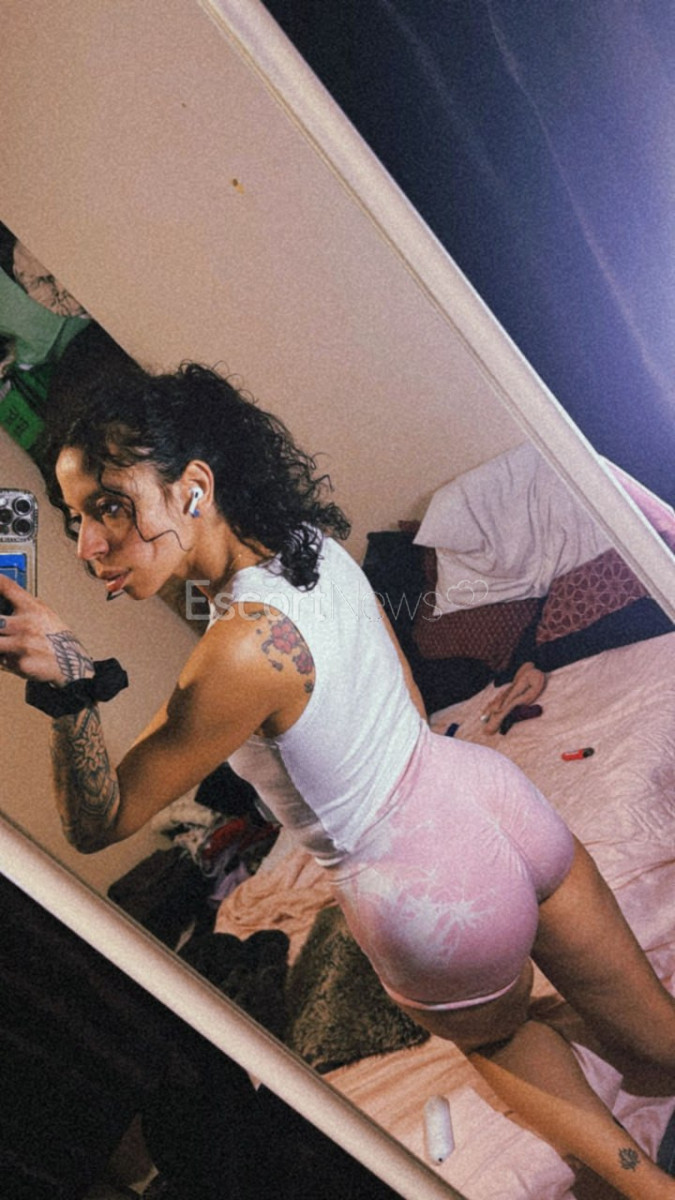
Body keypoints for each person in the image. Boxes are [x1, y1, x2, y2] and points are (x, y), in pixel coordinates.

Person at [1, 361, 674, 1200]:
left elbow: (98, 820)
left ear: (193, 486)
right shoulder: (308, 549)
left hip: (421, 889)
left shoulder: (238, 651)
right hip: (487, 795)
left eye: (110, 506)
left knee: (508, 1048)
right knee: (661, 1041)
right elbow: (410, 695)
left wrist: (68, 691)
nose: (87, 545)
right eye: (73, 518)